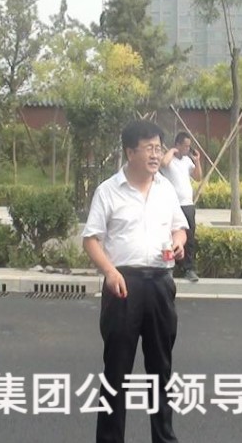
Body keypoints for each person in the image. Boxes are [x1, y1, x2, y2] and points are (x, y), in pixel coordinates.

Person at [82, 120, 189, 443]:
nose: (156, 155)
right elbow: (91, 239)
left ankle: (164, 438)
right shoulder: (108, 190)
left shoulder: (166, 189)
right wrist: (110, 272)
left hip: (160, 284)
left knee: (161, 370)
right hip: (123, 285)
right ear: (130, 152)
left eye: (158, 148)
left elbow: (179, 227)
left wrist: (179, 241)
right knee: (117, 371)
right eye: (149, 148)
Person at [160, 131, 203, 282]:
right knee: (169, 236)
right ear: (177, 144)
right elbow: (163, 164)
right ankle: (169, 267)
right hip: (173, 205)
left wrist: (197, 161)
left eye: (189, 146)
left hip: (188, 205)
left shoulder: (187, 161)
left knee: (189, 238)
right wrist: (172, 151)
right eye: (185, 146)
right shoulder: (169, 159)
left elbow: (198, 177)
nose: (187, 149)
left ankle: (188, 269)